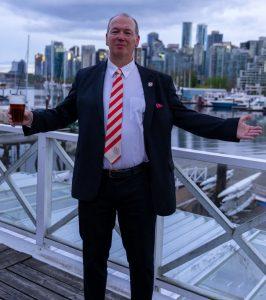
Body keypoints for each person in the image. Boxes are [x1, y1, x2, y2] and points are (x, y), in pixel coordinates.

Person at [8, 13, 262, 300]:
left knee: (141, 262)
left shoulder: (157, 81)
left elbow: (185, 117)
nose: (120, 36)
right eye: (115, 31)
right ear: (106, 38)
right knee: (93, 257)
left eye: (127, 32)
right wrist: (30, 118)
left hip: (139, 185)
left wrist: (230, 127)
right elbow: (62, 114)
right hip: (96, 183)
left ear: (137, 41)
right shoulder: (86, 78)